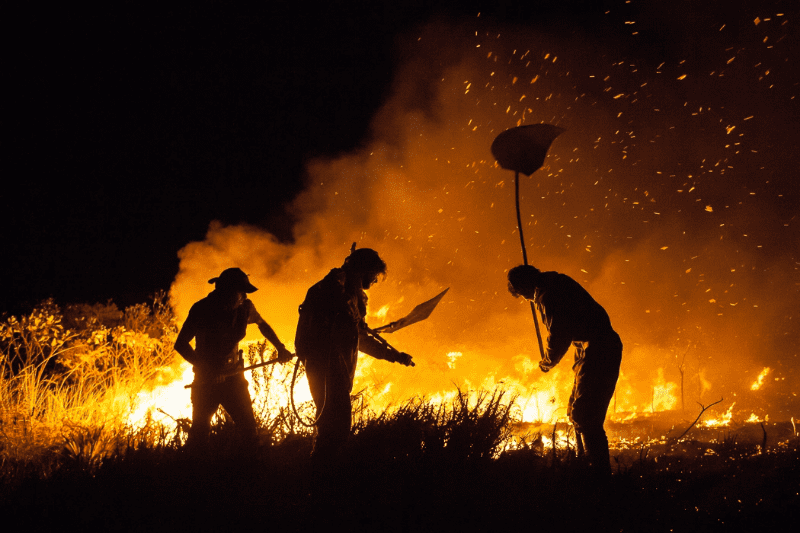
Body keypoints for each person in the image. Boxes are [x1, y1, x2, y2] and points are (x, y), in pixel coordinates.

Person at [295, 245, 414, 466]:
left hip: (338, 369)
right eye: (373, 275)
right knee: (335, 426)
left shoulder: (350, 295)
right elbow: (326, 330)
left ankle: (322, 477)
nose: (375, 280)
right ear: (363, 271)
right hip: (325, 368)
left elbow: (359, 337)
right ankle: (321, 478)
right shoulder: (331, 290)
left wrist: (393, 356)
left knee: (334, 426)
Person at [508, 264, 622, 475]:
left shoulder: (548, 294)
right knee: (576, 411)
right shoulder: (554, 283)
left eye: (524, 295)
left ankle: (598, 475)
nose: (527, 300)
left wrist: (548, 361)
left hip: (599, 348)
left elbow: (559, 332)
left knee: (586, 416)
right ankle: (585, 466)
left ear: (523, 286)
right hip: (591, 348)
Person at [174, 267, 293, 451]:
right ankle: (193, 469)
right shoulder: (202, 309)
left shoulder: (245, 308)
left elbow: (262, 325)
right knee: (200, 432)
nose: (244, 297)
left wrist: (280, 348)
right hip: (207, 381)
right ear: (226, 292)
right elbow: (180, 344)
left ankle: (250, 470)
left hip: (234, 378)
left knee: (249, 430)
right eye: (241, 292)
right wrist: (205, 368)